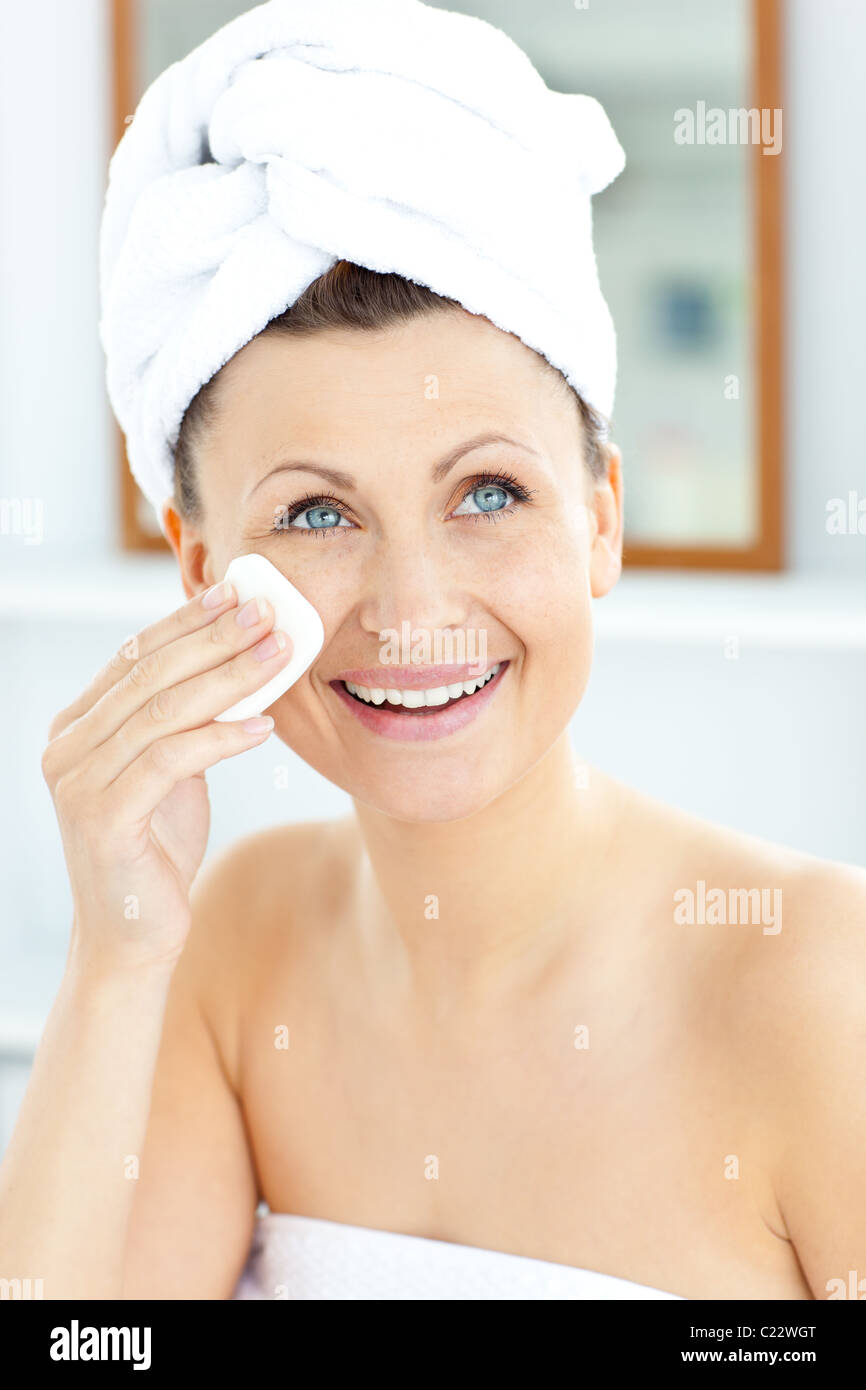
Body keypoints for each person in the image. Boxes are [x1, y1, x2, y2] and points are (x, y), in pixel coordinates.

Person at [2, 0, 864, 1301]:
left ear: (601, 518)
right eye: (315, 512)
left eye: (486, 492)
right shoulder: (234, 944)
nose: (409, 610)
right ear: (196, 567)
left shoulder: (815, 981)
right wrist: (116, 951)